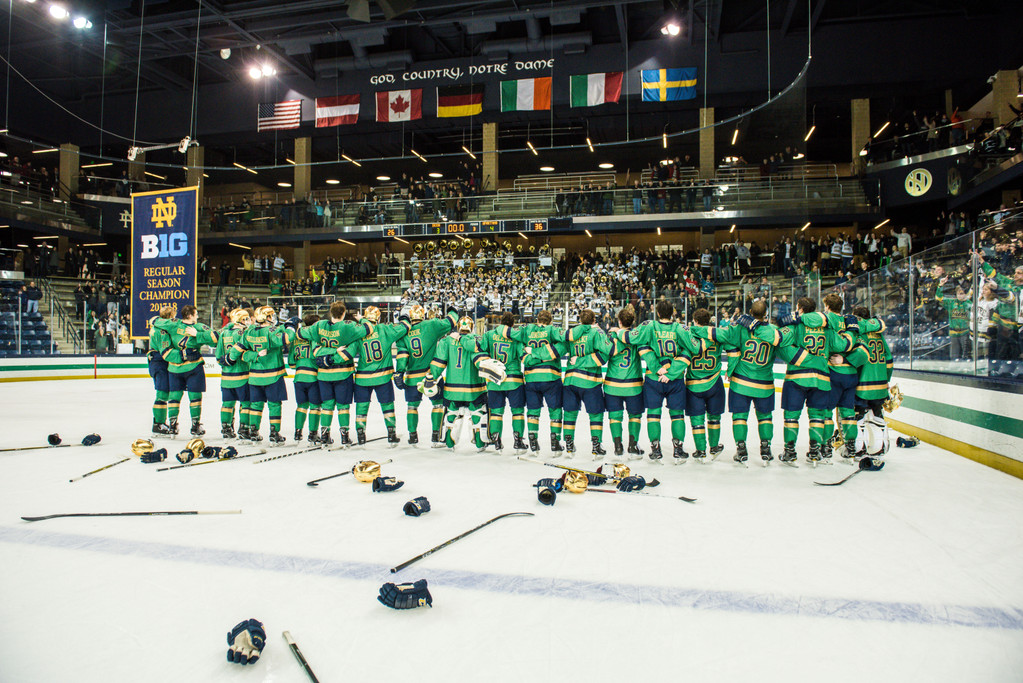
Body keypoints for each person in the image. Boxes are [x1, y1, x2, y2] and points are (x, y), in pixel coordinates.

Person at [693, 300, 782, 464]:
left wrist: (692, 329)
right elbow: (787, 349)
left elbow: (720, 334)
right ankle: (766, 448)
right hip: (765, 383)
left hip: (741, 382)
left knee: (739, 417)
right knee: (765, 418)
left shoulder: (740, 328)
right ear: (766, 314)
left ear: (749, 312)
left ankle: (741, 450)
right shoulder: (774, 331)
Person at [623, 299, 700, 463]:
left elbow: (637, 343)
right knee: (677, 416)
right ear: (673, 312)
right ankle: (678, 450)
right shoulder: (680, 328)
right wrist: (671, 372)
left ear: (657, 313)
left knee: (653, 416)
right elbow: (693, 349)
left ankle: (655, 449)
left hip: (653, 378)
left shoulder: (649, 325)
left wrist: (657, 366)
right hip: (675, 379)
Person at [776, 298, 851, 464]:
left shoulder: (796, 325)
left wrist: (801, 358)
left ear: (800, 309)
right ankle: (815, 451)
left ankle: (790, 452)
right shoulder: (828, 327)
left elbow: (779, 342)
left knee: (791, 416)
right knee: (817, 416)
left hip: (797, 378)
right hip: (821, 379)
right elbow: (841, 345)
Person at [422, 316, 505, 450]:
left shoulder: (446, 341)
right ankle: (480, 442)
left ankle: (449, 441)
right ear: (472, 327)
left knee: (452, 413)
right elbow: (480, 360)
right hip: (475, 388)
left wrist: (431, 377)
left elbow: (439, 363)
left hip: (452, 389)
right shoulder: (477, 340)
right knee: (478, 413)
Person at [300, 302, 374, 446]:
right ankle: (345, 437)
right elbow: (369, 328)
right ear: (344, 313)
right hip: (343, 373)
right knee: (343, 406)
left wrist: (327, 354)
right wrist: (362, 319)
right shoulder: (348, 326)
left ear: (330, 312)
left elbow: (309, 344)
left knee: (327, 405)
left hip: (323, 375)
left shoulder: (319, 325)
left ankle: (324, 435)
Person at [494, 310, 567, 456]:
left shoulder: (526, 329)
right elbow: (563, 346)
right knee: (555, 411)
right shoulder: (552, 330)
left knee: (533, 412)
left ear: (537, 319)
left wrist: (533, 353)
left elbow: (522, 354)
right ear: (550, 321)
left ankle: (533, 440)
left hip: (531, 379)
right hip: (551, 377)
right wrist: (543, 356)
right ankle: (555, 442)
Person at [346, 306, 411, 446]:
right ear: (378, 317)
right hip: (383, 376)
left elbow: (348, 353)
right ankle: (391, 433)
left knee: (361, 408)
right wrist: (404, 318)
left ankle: (361, 434)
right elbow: (406, 327)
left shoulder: (359, 332)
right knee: (387, 406)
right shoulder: (385, 329)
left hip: (362, 378)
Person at [395, 304, 457, 447]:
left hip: (412, 377)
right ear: (422, 315)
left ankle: (412, 437)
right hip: (431, 376)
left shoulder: (404, 333)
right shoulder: (432, 324)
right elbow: (452, 320)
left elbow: (403, 355)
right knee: (438, 405)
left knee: (412, 407)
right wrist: (452, 310)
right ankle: (436, 437)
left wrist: (399, 371)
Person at [151, 305, 218, 437]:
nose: (197, 316)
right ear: (191, 315)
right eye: (196, 314)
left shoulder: (172, 324)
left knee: (174, 398)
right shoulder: (198, 327)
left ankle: (172, 425)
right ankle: (195, 426)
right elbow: (215, 339)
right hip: (193, 367)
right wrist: (198, 335)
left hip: (174, 367)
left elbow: (154, 321)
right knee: (195, 397)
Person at [228, 306, 287, 444]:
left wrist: (231, 358)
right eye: (271, 316)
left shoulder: (249, 331)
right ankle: (274, 433)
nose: (273, 318)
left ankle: (253, 431)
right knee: (274, 405)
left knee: (256, 405)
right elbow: (285, 340)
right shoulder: (274, 330)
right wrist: (289, 327)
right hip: (273, 374)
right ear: (267, 317)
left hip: (255, 376)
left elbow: (239, 352)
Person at [561, 309, 613, 460]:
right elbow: (606, 353)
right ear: (594, 321)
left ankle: (569, 445)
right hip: (590, 382)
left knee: (570, 414)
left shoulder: (572, 333)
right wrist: (601, 331)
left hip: (570, 380)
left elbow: (560, 349)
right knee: (595, 414)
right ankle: (596, 446)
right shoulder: (596, 333)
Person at [480, 312, 529, 454]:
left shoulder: (489, 335)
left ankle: (496, 441)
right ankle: (518, 442)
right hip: (514, 380)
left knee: (496, 413)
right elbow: (522, 356)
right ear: (512, 324)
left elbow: (482, 352)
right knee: (518, 412)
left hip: (494, 381)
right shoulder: (515, 337)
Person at [604, 305, 645, 459]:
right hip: (633, 385)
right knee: (634, 416)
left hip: (612, 385)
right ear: (633, 321)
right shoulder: (636, 337)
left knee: (615, 416)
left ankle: (618, 446)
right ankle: (633, 446)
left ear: (619, 322)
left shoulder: (612, 336)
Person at [684, 308, 725, 461]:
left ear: (694, 321)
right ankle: (714, 447)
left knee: (697, 419)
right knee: (714, 417)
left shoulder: (689, 334)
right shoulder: (717, 335)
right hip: (714, 381)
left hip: (694, 383)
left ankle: (700, 450)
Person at [215, 308, 252, 439]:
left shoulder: (224, 333)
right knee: (246, 403)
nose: (248, 321)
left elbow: (219, 356)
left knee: (227, 404)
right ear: (240, 320)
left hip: (226, 377)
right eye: (246, 318)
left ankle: (226, 428)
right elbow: (247, 355)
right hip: (243, 375)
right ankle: (244, 428)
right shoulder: (245, 333)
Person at [285, 313, 322, 444]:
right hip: (313, 377)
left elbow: (291, 362)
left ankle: (298, 433)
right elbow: (317, 356)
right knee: (315, 407)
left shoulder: (296, 338)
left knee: (301, 406)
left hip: (299, 377)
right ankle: (313, 434)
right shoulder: (314, 336)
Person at [146, 305, 176, 435]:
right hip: (160, 363)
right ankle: (158, 423)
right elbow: (166, 351)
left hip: (155, 361)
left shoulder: (155, 327)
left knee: (163, 393)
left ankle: (159, 422)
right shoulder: (163, 331)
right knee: (162, 394)